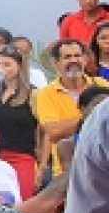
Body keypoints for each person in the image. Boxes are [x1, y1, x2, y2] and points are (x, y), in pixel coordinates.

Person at [36, 38, 108, 172]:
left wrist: (68, 125)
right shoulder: (45, 94)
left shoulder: (102, 85)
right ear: (57, 64)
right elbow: (53, 132)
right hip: (65, 171)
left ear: (85, 59)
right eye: (67, 57)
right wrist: (94, 116)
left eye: (77, 55)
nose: (74, 60)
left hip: (102, 168)